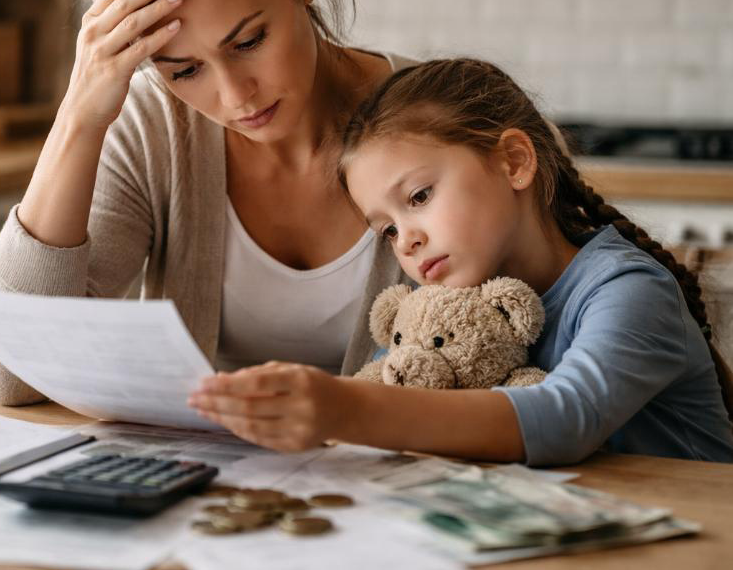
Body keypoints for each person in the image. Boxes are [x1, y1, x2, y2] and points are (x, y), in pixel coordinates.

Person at [0, 0, 417, 405]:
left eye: (250, 41)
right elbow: (13, 375)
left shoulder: (441, 117)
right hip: (211, 486)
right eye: (184, 71)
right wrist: (79, 116)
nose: (235, 96)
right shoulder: (152, 125)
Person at [190, 58, 733, 465]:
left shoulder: (627, 289)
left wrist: (342, 408)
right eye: (386, 230)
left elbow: (567, 416)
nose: (406, 241)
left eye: (420, 197)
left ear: (514, 162)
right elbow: (391, 387)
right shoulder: (447, 315)